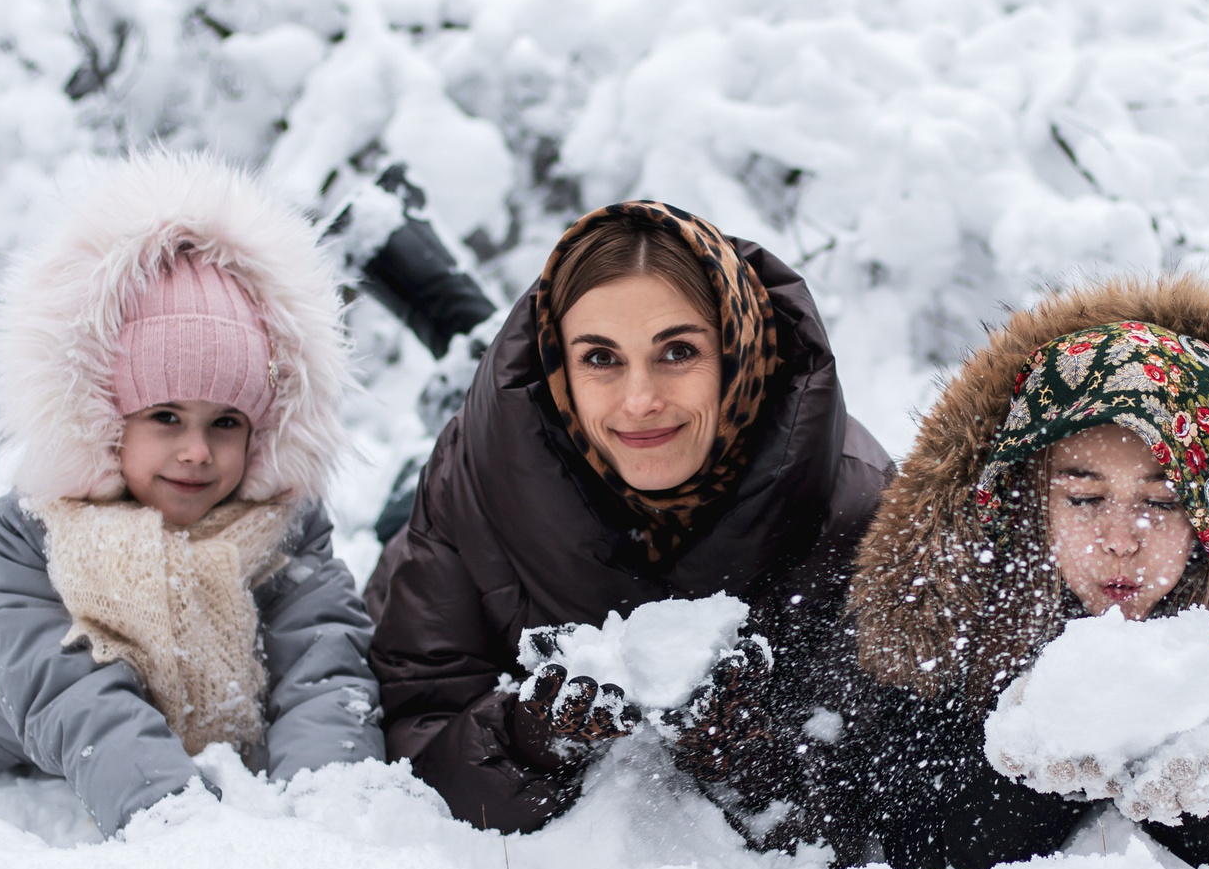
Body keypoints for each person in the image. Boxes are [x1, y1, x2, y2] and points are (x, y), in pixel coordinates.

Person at [0, 150, 381, 836]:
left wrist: (332, 795)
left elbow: (323, 658)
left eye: (225, 422)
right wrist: (168, 811)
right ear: (108, 420)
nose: (196, 450)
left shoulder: (278, 531)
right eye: (165, 416)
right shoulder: (41, 538)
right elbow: (73, 692)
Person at [367, 200, 892, 837]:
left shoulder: (858, 508)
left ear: (741, 351)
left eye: (677, 352)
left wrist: (752, 760)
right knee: (407, 496)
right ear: (557, 366)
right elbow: (416, 742)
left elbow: (884, 808)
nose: (641, 399)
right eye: (598, 357)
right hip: (446, 511)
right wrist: (526, 733)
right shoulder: (469, 474)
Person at [837, 278, 1209, 869]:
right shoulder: (960, 599)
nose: (1121, 540)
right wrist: (1036, 776)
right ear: (1030, 502)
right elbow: (910, 841)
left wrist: (1207, 787)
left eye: (1164, 502)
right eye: (1085, 499)